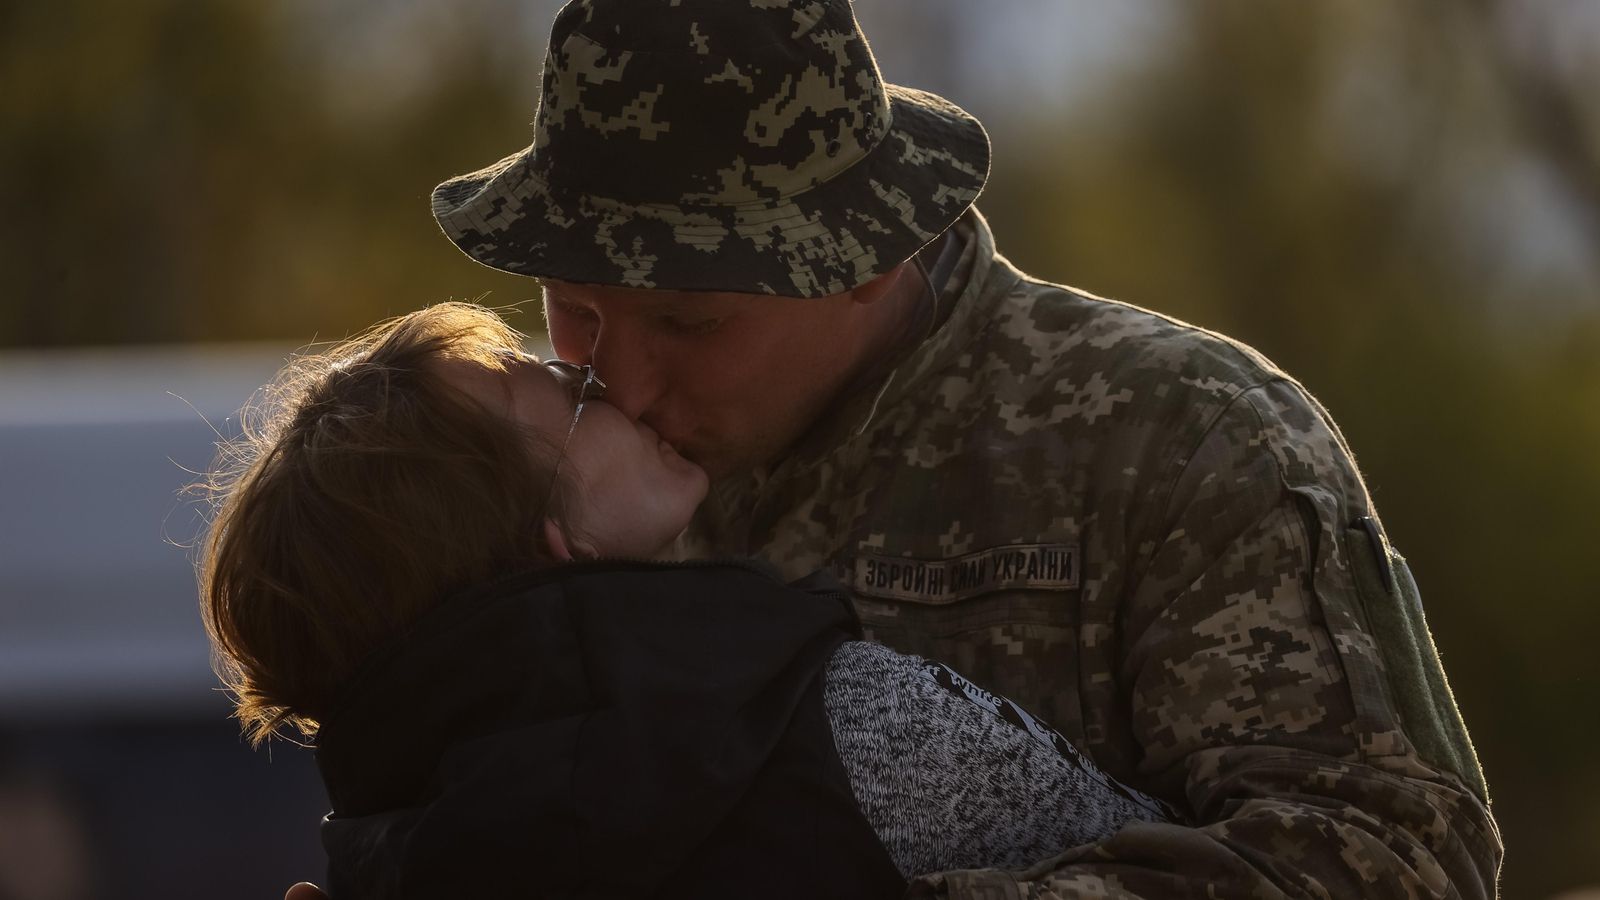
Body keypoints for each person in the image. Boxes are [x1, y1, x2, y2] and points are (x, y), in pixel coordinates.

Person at [411, 0, 1505, 896]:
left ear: (862, 257)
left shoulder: (1178, 435)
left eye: (690, 323)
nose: (621, 381)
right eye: (574, 310)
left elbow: (1394, 863)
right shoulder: (562, 473)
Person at [202, 303, 1174, 898]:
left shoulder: (381, 856)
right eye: (563, 390)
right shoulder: (850, 731)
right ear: (553, 549)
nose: (604, 376)